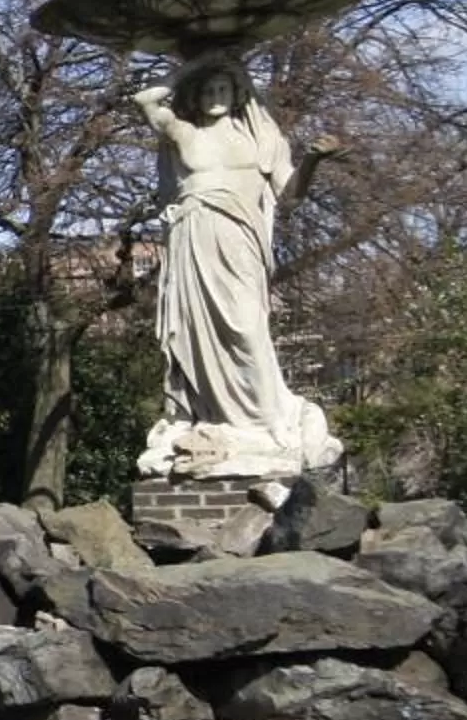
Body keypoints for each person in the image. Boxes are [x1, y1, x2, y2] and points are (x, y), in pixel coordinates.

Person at [129, 54, 340, 478]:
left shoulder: (261, 139)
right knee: (196, 333)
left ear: (239, 91)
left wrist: (314, 160)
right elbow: (146, 99)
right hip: (193, 238)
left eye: (223, 88)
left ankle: (266, 425)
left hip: (239, 237)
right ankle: (215, 420)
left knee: (246, 328)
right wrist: (195, 61)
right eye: (206, 90)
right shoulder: (182, 131)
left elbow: (291, 195)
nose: (214, 96)